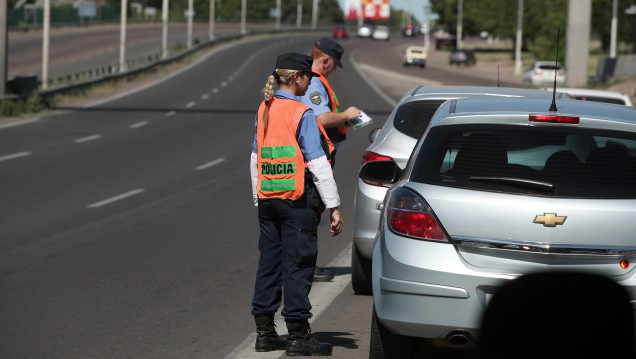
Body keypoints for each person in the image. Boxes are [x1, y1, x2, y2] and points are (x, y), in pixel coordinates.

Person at [250, 52, 344, 356]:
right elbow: (317, 162)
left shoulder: (264, 108)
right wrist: (334, 205)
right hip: (295, 201)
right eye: (308, 78)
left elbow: (255, 158)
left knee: (269, 264)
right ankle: (299, 336)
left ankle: (265, 333)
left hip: (268, 200)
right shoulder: (300, 113)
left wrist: (258, 196)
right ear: (297, 78)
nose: (309, 83)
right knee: (299, 264)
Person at [298, 37, 362, 282]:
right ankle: (305, 267)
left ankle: (304, 265)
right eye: (334, 65)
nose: (333, 70)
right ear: (325, 61)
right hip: (314, 156)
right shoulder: (314, 84)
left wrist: (345, 119)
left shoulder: (310, 81)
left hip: (314, 154)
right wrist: (345, 115)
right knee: (310, 211)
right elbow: (321, 119)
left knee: (310, 210)